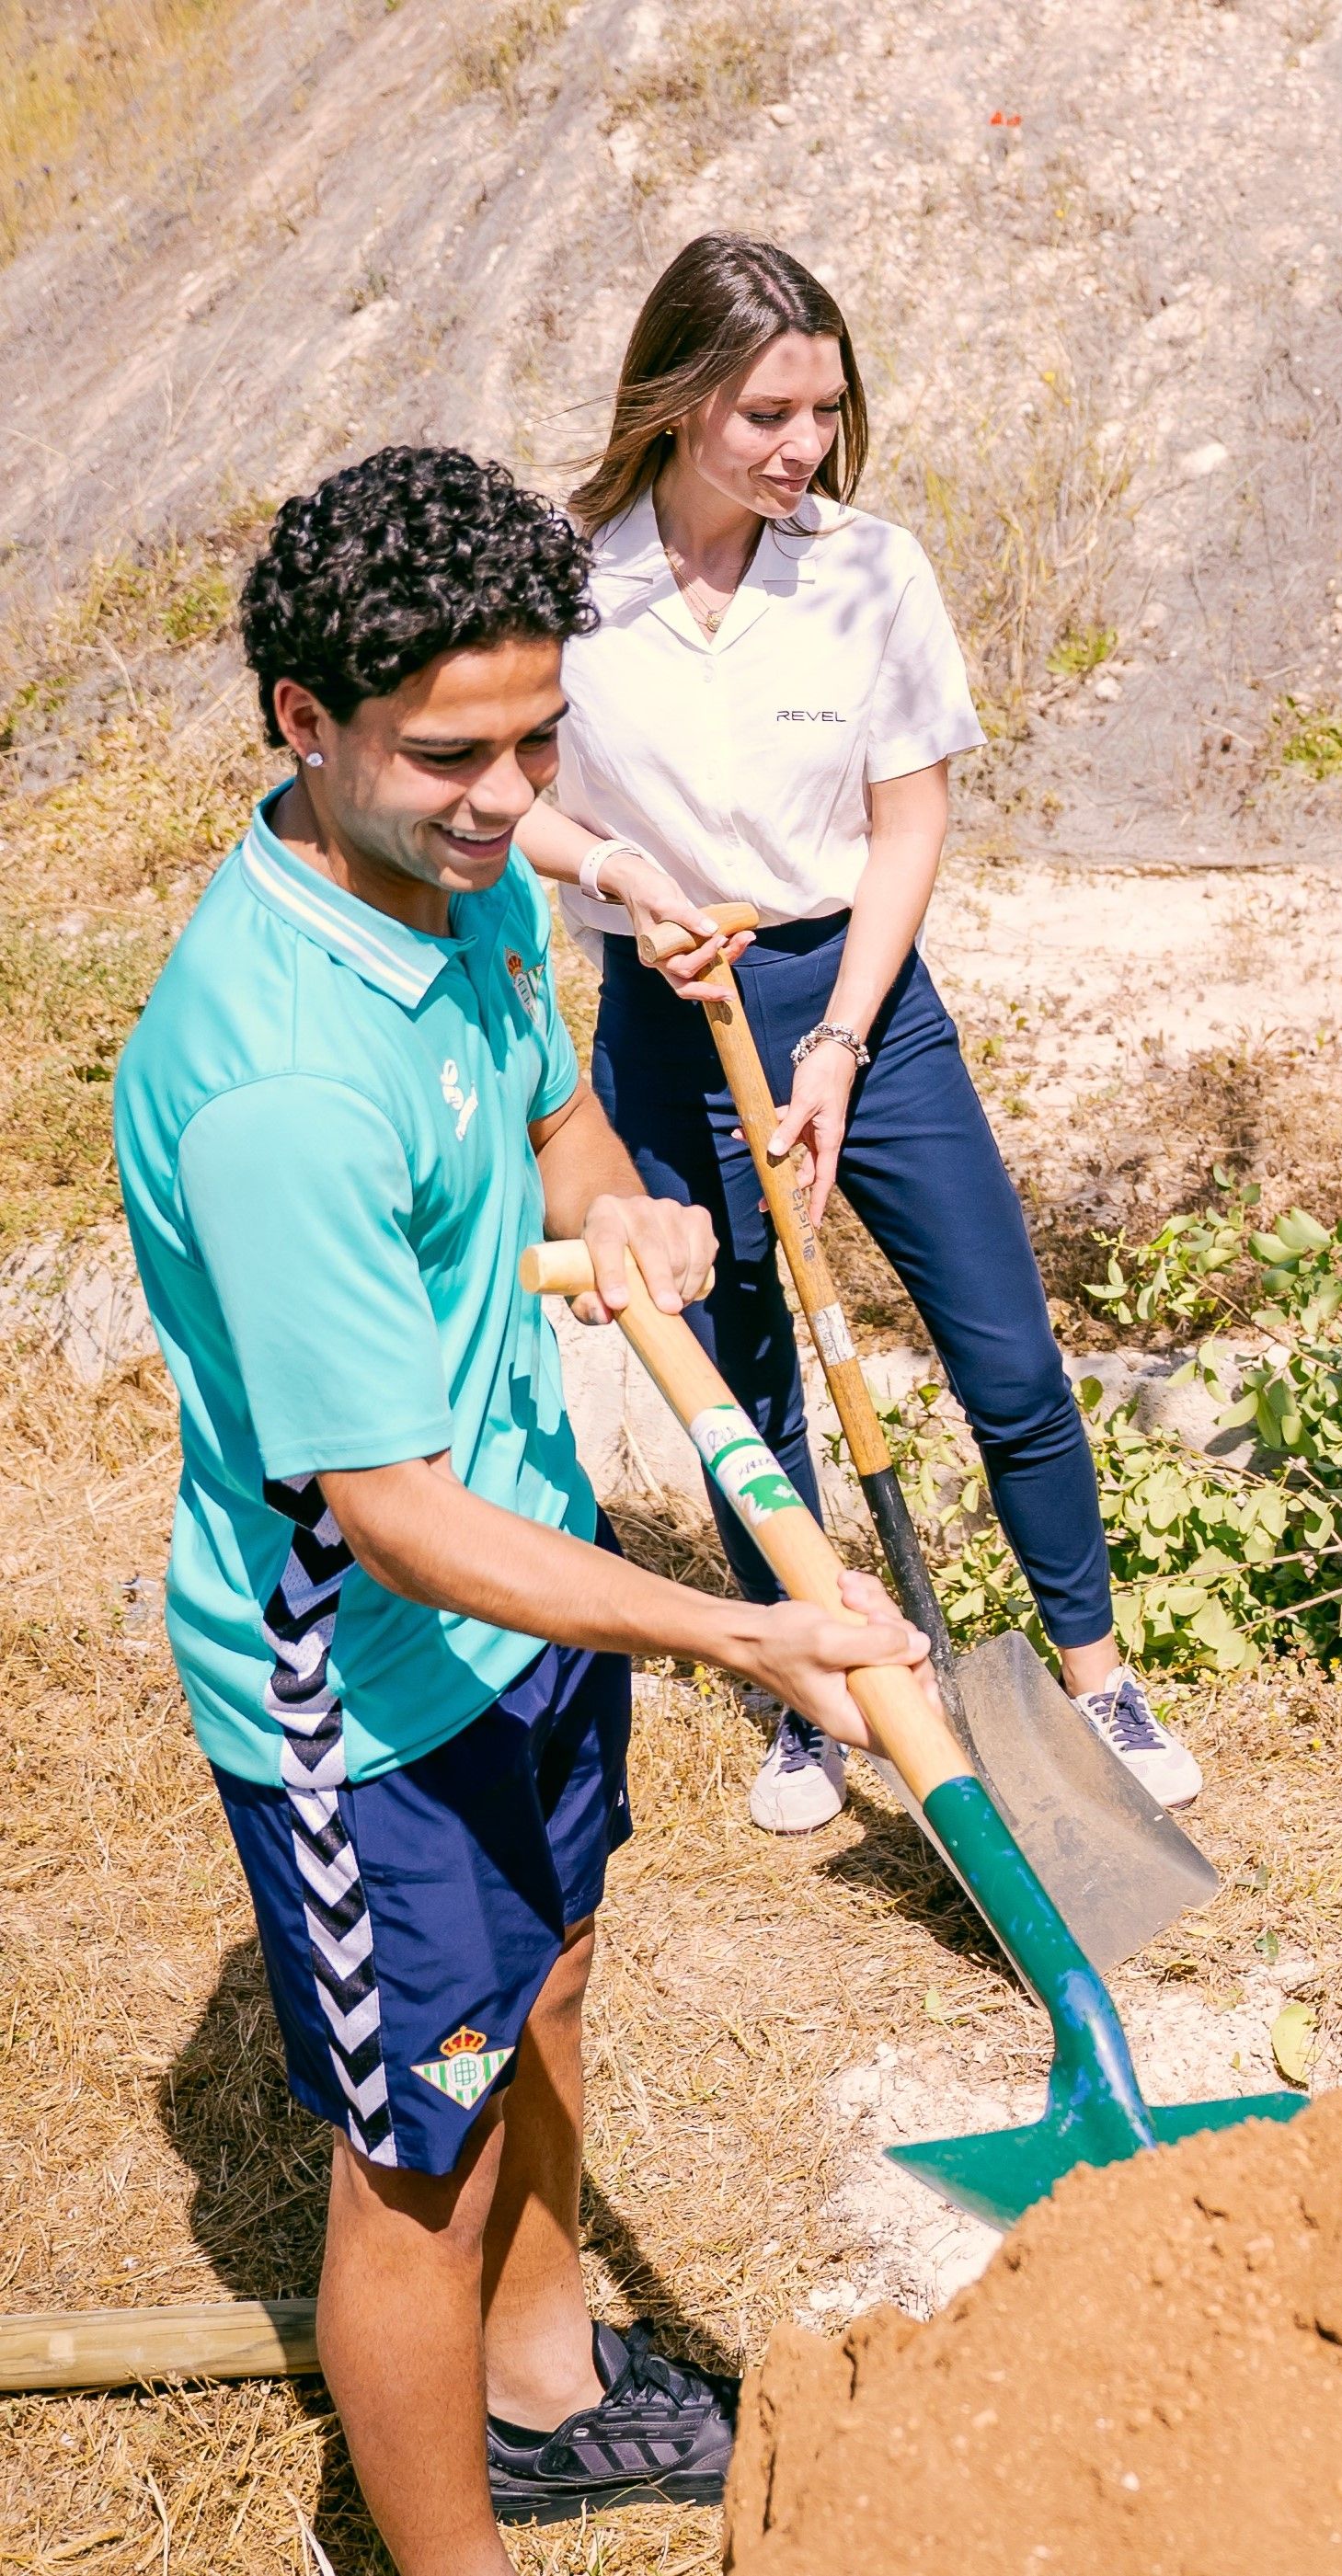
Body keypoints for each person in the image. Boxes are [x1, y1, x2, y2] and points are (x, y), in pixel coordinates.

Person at [114, 446, 934, 2560]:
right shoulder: (283, 1077)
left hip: (533, 1600)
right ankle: (439, 2551)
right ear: (304, 723)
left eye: (535, 739)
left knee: (551, 1978)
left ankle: (549, 2385)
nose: (508, 803)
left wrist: (630, 1212)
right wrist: (751, 1634)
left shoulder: (455, 883)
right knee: (423, 2171)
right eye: (452, 756)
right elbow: (385, 1511)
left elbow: (562, 1124)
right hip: (372, 1687)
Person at [508, 234, 1193, 1831]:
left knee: (1005, 1350)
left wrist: (838, 1047)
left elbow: (909, 819)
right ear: (677, 402)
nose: (801, 444)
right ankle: (808, 1690)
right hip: (668, 1019)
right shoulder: (567, 578)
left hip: (862, 1005)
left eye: (822, 407)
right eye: (764, 412)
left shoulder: (869, 567)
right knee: (743, 1371)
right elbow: (501, 793)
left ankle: (1096, 1678)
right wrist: (612, 868)